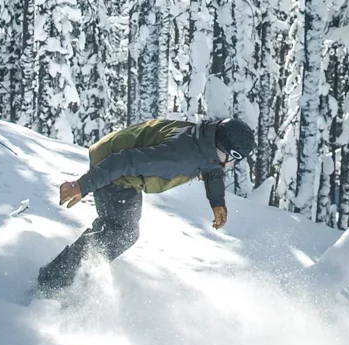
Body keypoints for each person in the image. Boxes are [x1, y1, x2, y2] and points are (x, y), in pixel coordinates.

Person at [36, 116, 255, 295]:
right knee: (121, 232)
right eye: (234, 158)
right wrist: (83, 185)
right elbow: (125, 161)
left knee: (118, 230)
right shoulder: (179, 157)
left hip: (120, 165)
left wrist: (217, 202)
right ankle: (53, 283)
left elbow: (212, 168)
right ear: (223, 151)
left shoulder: (204, 139)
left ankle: (73, 273)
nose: (232, 164)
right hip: (114, 169)